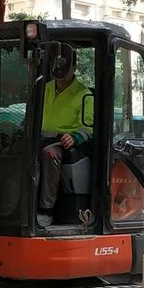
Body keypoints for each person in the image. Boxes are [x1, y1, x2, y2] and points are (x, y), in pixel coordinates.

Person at [37, 43, 92, 229]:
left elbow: (89, 127)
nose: (60, 77)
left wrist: (75, 137)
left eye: (65, 71)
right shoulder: (46, 89)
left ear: (74, 68)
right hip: (39, 138)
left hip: (62, 142)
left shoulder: (84, 95)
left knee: (50, 154)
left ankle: (46, 209)